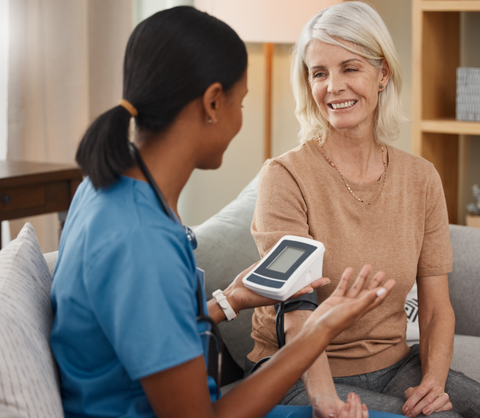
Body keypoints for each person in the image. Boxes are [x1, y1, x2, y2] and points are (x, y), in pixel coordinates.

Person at [48, 6, 396, 418]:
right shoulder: (140, 239)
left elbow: (142, 323)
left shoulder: (108, 188)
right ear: (213, 102)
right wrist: (318, 331)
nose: (240, 121)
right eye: (242, 103)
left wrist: (228, 300)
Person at [246, 2, 480, 418]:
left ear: (382, 74)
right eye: (319, 73)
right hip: (298, 372)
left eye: (349, 68)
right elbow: (297, 310)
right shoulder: (285, 176)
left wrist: (433, 383)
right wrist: (324, 400)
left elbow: (436, 307)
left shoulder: (421, 178)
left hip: (394, 364)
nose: (333, 86)